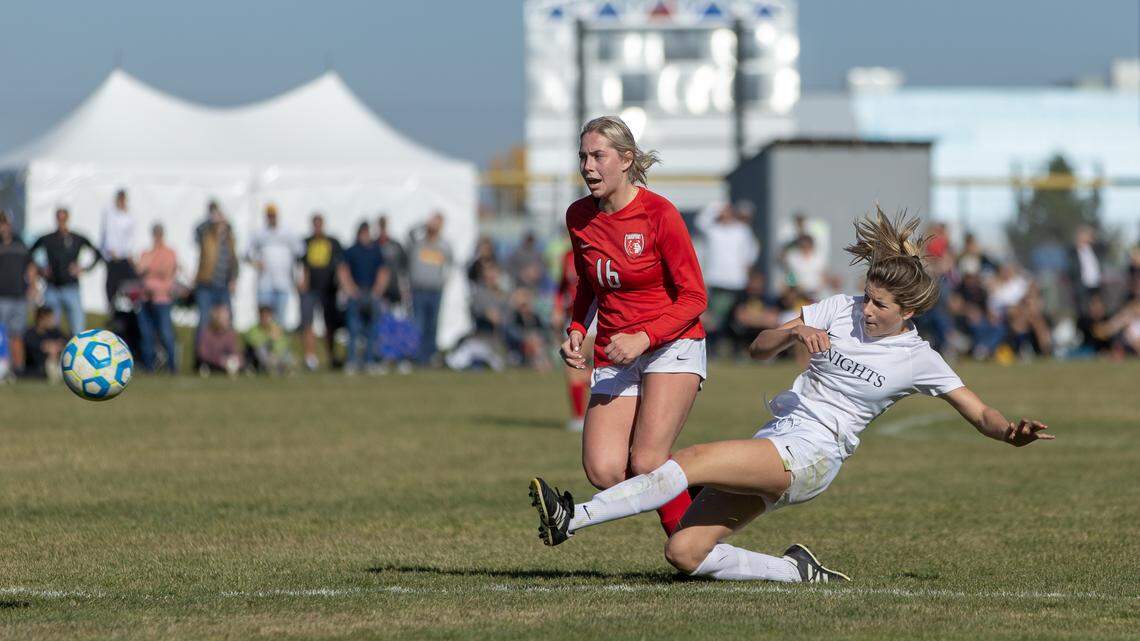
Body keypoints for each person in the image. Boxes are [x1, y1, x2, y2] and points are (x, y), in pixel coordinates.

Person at [530, 209, 1052, 583]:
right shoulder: (838, 308)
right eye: (867, 297)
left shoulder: (920, 358)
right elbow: (758, 349)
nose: (866, 310)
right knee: (684, 552)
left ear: (908, 312)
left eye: (880, 305)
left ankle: (571, 519)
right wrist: (793, 333)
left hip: (813, 455)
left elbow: (978, 410)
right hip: (778, 437)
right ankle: (796, 571)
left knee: (688, 460)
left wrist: (1010, 433)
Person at [558, 115, 708, 537]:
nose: (588, 166)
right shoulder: (578, 217)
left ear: (626, 160)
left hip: (671, 344)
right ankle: (688, 494)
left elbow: (696, 298)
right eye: (583, 156)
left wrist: (644, 337)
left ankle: (695, 548)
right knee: (603, 470)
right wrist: (575, 329)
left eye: (598, 156)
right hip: (615, 349)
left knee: (646, 461)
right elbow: (589, 284)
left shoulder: (660, 214)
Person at [695, 201, 759, 356]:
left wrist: (749, 277)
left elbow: (750, 255)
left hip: (737, 281)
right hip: (717, 280)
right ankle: (711, 350)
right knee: (715, 319)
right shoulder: (713, 230)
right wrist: (717, 207)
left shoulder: (742, 230)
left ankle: (737, 350)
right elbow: (700, 220)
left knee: (737, 319)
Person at [30, 207, 102, 336]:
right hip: (52, 288)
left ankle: (79, 354)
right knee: (50, 328)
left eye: (64, 219)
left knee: (78, 328)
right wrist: (41, 269)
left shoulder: (77, 238)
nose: (61, 222)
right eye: (59, 218)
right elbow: (29, 254)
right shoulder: (48, 239)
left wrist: (83, 268)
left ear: (68, 219)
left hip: (71, 288)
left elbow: (97, 254)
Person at [342, 221, 390, 374]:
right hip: (356, 293)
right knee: (354, 329)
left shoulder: (376, 251)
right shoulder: (352, 250)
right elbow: (343, 270)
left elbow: (383, 271)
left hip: (372, 293)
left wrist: (378, 290)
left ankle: (370, 361)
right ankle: (352, 361)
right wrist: (350, 289)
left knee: (373, 330)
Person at [299, 213, 345, 370]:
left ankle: (331, 356)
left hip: (328, 290)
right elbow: (302, 264)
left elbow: (340, 264)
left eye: (320, 224)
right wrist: (303, 283)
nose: (317, 227)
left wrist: (340, 283)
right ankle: (310, 358)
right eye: (315, 224)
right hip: (311, 290)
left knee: (329, 324)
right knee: (308, 323)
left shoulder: (333, 242)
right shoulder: (306, 242)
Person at [407, 212, 453, 365]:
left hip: (435, 290)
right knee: (418, 323)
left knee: (432, 325)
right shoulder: (419, 243)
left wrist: (443, 281)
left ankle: (429, 356)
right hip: (418, 289)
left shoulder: (443, 245)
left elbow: (451, 264)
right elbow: (410, 233)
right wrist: (425, 224)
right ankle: (417, 356)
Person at [247, 204, 301, 326]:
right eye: (269, 216)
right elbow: (246, 253)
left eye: (273, 215)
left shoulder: (288, 232)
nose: (271, 218)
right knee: (264, 317)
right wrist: (255, 263)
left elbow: (299, 252)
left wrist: (297, 276)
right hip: (265, 283)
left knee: (280, 318)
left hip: (283, 282)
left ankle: (278, 344)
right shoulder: (259, 233)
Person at [136, 224, 179, 373]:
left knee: (166, 333)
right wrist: (151, 266)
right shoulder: (147, 253)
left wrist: (151, 272)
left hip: (162, 299)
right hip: (145, 299)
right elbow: (140, 269)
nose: (157, 237)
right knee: (146, 334)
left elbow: (166, 272)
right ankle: (149, 367)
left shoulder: (170, 253)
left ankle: (173, 366)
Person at [194, 202, 238, 338]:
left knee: (227, 320)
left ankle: (226, 354)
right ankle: (201, 356)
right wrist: (211, 219)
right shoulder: (207, 237)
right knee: (204, 321)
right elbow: (198, 229)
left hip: (223, 286)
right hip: (206, 285)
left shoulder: (229, 240)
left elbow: (234, 262)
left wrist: (233, 279)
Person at [0, 212, 36, 374]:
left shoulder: (20, 243)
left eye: (4, 223)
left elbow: (30, 266)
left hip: (19, 296)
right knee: (2, 334)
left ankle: (18, 369)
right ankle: (3, 367)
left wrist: (32, 286)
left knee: (18, 334)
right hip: (2, 296)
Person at [100, 189, 138, 307]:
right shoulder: (110, 214)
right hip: (114, 257)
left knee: (131, 285)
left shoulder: (129, 215)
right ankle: (112, 310)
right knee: (112, 286)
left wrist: (130, 253)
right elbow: (108, 234)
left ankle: (132, 309)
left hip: (126, 257)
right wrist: (111, 251)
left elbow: (131, 236)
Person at [244, 305, 295, 375]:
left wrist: (275, 353)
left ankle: (281, 366)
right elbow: (254, 342)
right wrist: (268, 337)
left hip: (274, 355)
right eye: (263, 316)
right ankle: (273, 367)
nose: (265, 319)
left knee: (286, 352)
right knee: (260, 349)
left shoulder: (276, 327)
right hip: (259, 356)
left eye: (267, 316)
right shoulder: (254, 329)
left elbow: (283, 342)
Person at [196, 304, 242, 377]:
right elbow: (202, 354)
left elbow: (236, 352)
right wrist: (220, 360)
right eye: (223, 318)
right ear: (216, 318)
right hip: (211, 364)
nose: (227, 320)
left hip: (227, 363)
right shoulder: (206, 333)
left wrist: (236, 360)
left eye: (227, 318)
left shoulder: (231, 334)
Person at [22, 306, 66, 382]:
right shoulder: (30, 333)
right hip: (35, 369)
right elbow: (33, 347)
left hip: (54, 363)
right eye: (50, 318)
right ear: (41, 319)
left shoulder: (54, 331)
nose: (53, 320)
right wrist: (46, 347)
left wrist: (57, 346)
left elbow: (65, 340)